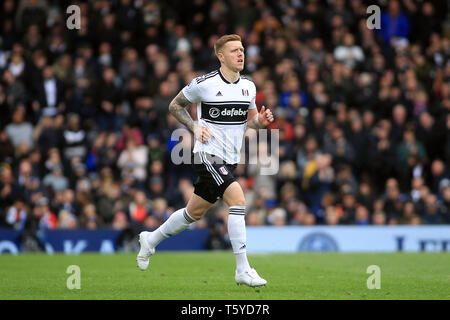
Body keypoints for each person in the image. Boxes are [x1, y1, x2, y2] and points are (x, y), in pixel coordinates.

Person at [136, 34, 274, 287]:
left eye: (242, 49)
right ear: (221, 56)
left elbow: (250, 121)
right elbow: (175, 106)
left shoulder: (249, 86)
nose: (240, 54)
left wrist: (261, 123)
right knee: (238, 200)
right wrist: (193, 126)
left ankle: (150, 239)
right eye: (234, 51)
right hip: (207, 155)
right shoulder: (204, 84)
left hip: (229, 159)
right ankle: (242, 269)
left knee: (193, 213)